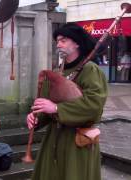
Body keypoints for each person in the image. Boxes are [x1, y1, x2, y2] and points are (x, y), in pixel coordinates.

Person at [26, 23, 108, 180]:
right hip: (54, 138)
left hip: (77, 141)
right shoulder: (57, 73)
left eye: (63, 40)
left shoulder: (90, 70)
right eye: (57, 41)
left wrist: (57, 108)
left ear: (76, 43)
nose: (58, 44)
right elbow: (46, 105)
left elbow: (94, 106)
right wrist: (36, 118)